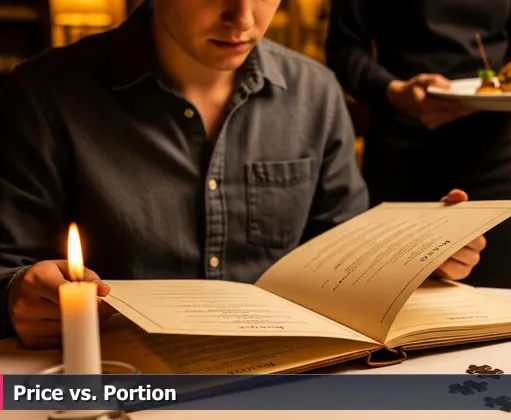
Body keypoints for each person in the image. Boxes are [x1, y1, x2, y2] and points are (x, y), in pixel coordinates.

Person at [0, 0, 486, 349]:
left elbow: (341, 255)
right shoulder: (45, 93)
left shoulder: (314, 92)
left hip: (292, 379)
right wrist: (16, 292)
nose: (244, 18)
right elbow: (8, 264)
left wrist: (417, 261)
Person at [325, 0, 511, 290]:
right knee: (390, 300)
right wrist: (393, 90)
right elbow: (344, 48)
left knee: (509, 300)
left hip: (492, 150)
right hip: (402, 144)